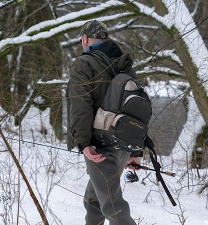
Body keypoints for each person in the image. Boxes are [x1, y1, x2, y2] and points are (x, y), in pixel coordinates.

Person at [66, 20, 141, 225]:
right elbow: (137, 109)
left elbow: (80, 105)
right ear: (106, 38)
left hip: (99, 147)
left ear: (85, 39)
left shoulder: (84, 63)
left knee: (112, 205)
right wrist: (134, 151)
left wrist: (84, 143)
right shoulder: (123, 64)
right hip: (123, 143)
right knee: (93, 201)